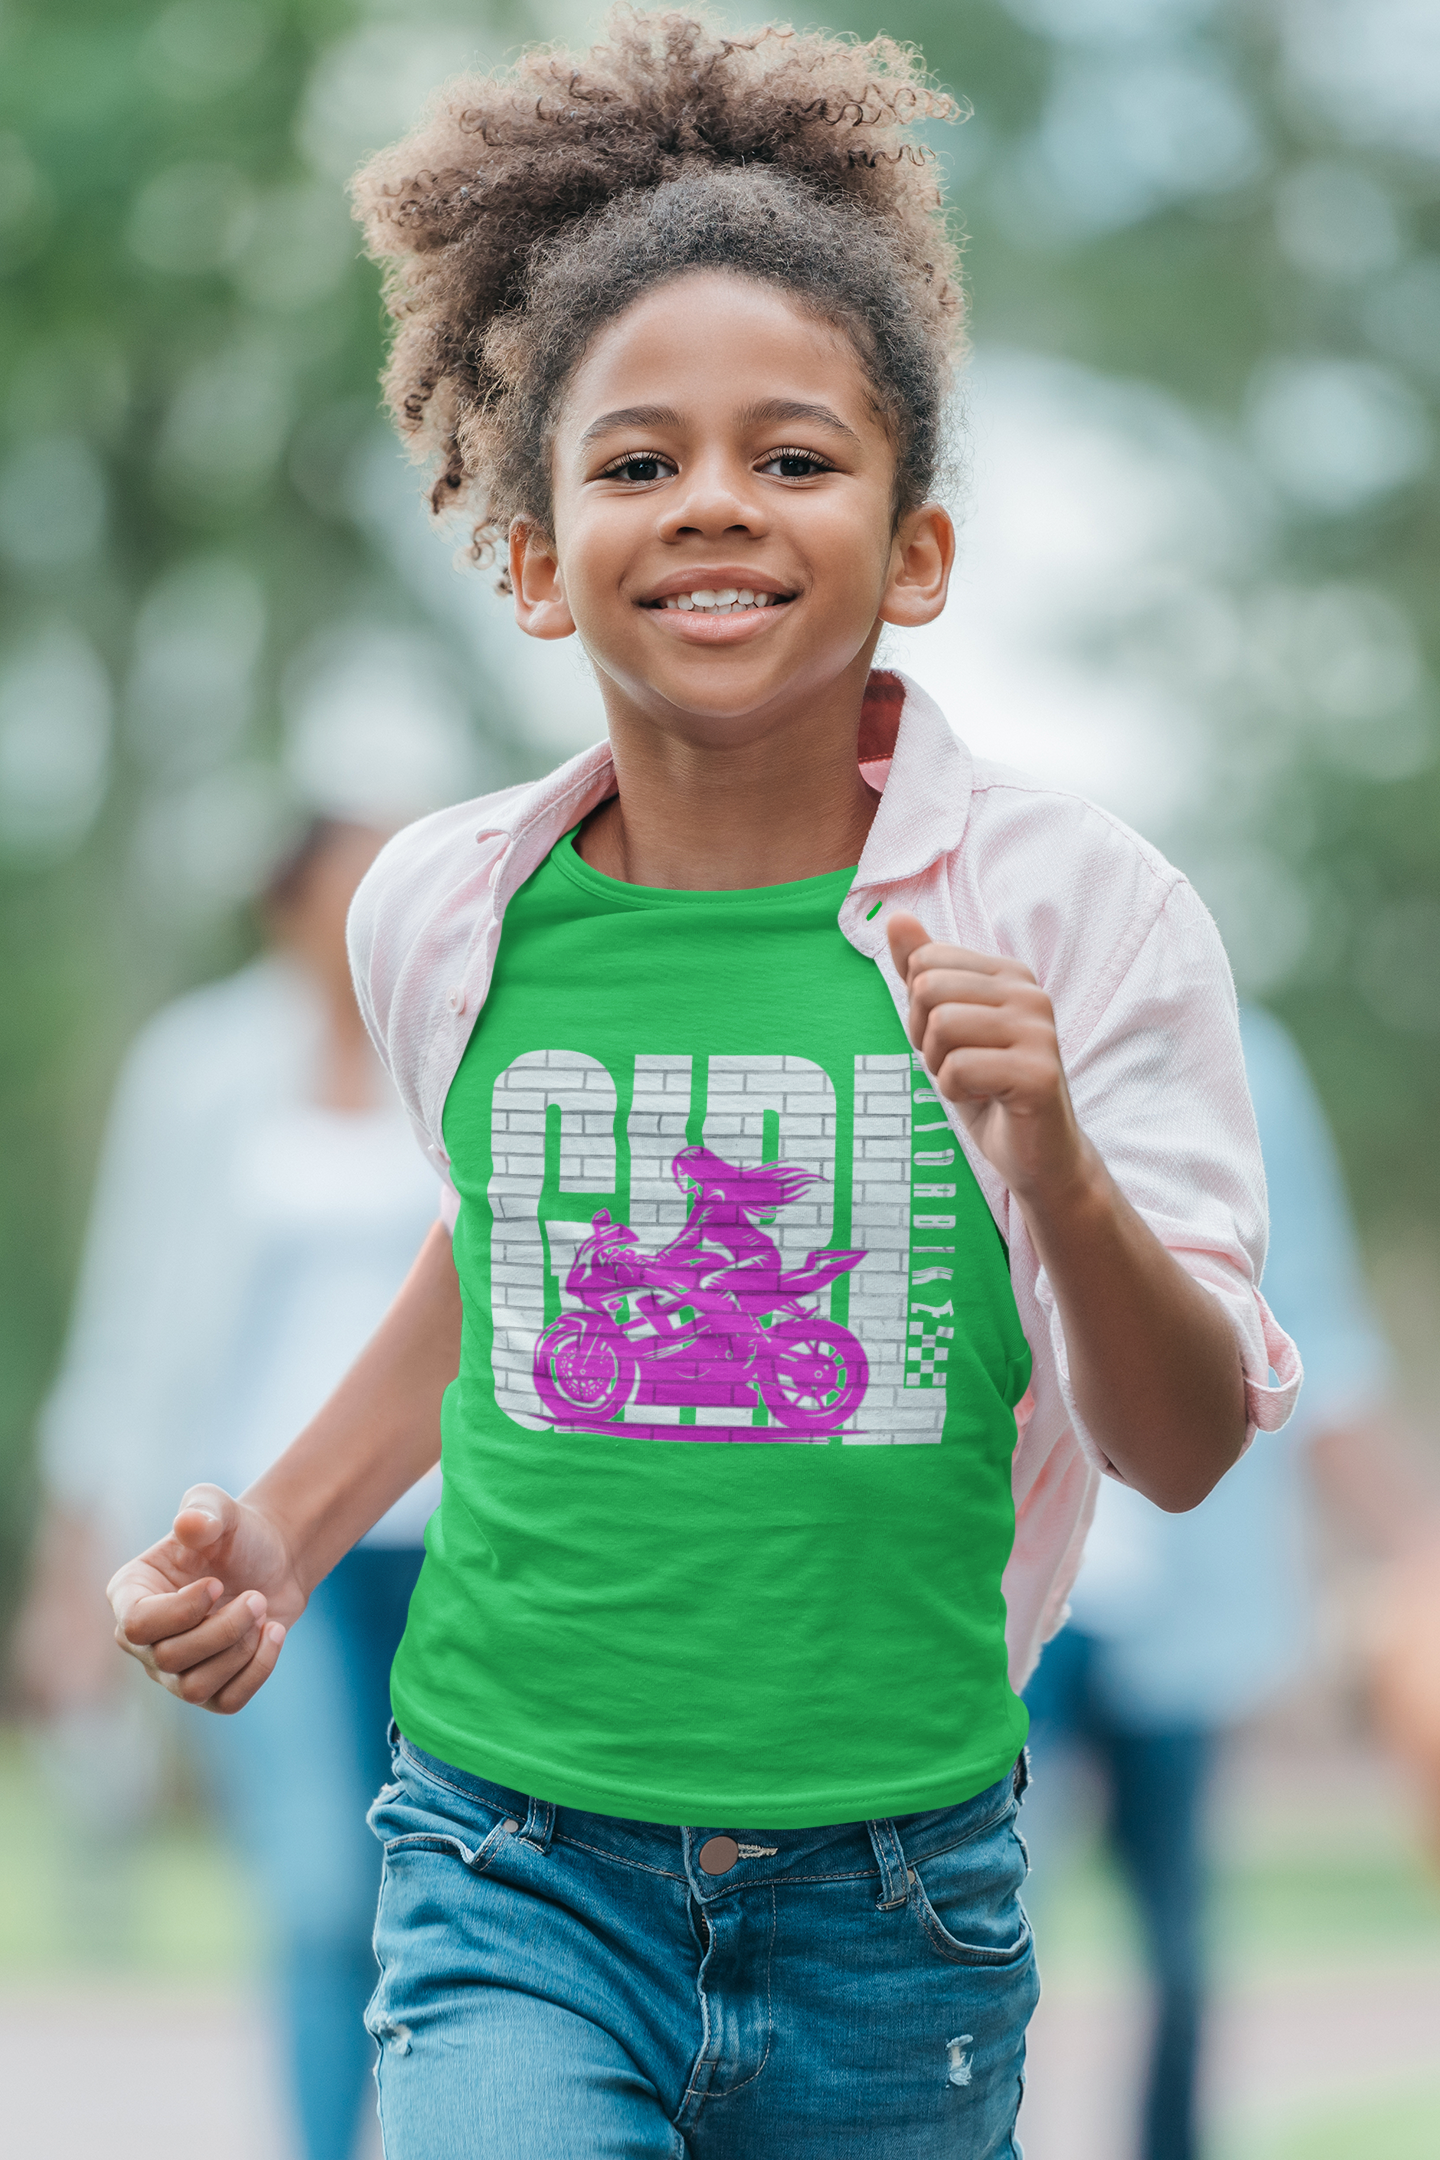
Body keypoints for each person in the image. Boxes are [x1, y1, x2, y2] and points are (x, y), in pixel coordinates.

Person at [98, 14, 1300, 2155]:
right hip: (508, 1853)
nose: (714, 504)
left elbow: (1183, 1445)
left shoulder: (1088, 919)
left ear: (914, 549)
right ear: (534, 550)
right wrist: (281, 1527)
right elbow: (506, 1257)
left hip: (896, 1897)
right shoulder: (444, 913)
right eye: (637, 462)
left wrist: (1057, 1164)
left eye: (797, 456)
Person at [14, 817, 441, 2160]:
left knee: (451, 1885)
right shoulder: (201, 1069)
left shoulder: (464, 1041)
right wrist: (68, 1572)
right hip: (265, 1544)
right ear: (289, 904)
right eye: (355, 880)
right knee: (322, 1882)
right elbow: (129, 1322)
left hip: (451, 1538)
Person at [1020, 1002, 1440, 2160]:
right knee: (987, 1923)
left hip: (1178, 1589)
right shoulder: (939, 1023)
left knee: (1180, 1943)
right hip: (1014, 1593)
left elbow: (1313, 1329)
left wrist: (1415, 1540)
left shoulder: (1245, 1062)